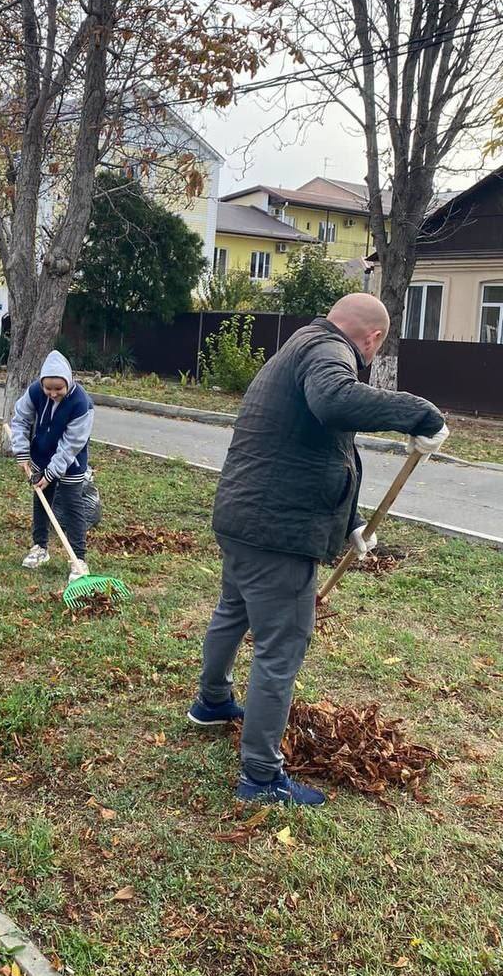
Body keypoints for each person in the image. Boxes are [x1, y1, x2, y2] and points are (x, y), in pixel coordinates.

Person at [188, 293, 448, 806]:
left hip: (245, 520)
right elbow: (335, 402)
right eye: (376, 349)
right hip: (277, 534)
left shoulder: (300, 347)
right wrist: (421, 414)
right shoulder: (329, 352)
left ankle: (212, 701)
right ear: (373, 338)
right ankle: (261, 776)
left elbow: (318, 445)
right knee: (281, 647)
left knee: (233, 611)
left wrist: (349, 522)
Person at [10, 350, 94, 584]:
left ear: (68, 381)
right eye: (48, 388)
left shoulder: (82, 403)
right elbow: (20, 419)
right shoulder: (35, 392)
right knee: (41, 501)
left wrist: (52, 473)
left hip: (70, 462)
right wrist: (22, 451)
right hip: (41, 456)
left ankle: (78, 559)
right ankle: (40, 547)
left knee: (72, 506)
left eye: (59, 388)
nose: (53, 393)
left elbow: (71, 444)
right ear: (41, 383)